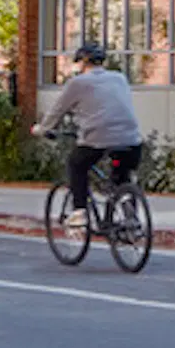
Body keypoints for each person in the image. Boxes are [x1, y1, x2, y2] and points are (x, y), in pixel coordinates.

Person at [42, 39, 146, 229]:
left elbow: (57, 111)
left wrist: (42, 129)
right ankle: (129, 215)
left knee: (76, 165)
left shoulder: (77, 83)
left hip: (97, 138)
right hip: (132, 139)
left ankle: (79, 211)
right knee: (121, 175)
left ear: (82, 62)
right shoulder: (119, 78)